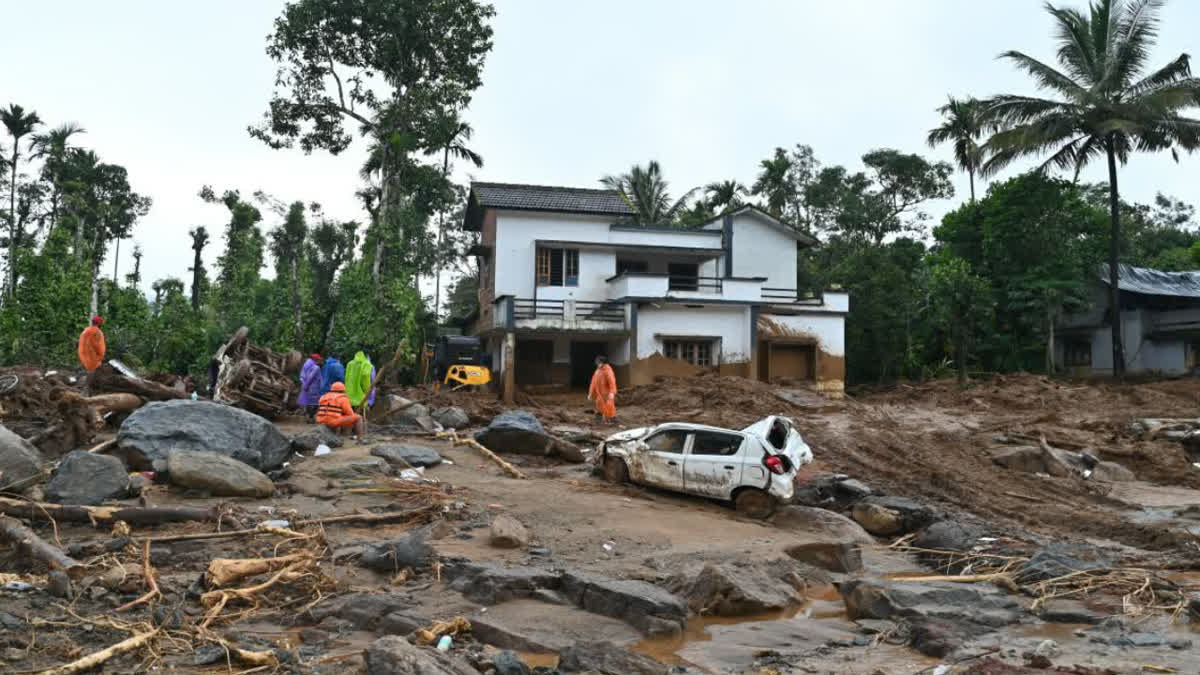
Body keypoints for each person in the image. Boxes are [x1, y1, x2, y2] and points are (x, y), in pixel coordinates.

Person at [78, 316, 107, 394]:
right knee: (92, 374)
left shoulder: (85, 330)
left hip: (83, 356)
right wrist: (101, 356)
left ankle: (85, 389)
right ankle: (87, 391)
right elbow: (99, 347)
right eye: (102, 323)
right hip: (93, 357)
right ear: (99, 323)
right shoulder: (98, 332)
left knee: (88, 372)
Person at [588, 354, 617, 424]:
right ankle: (598, 420)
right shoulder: (598, 371)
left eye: (598, 361)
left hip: (607, 394)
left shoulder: (608, 370)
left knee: (609, 406)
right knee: (599, 406)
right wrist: (591, 393)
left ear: (602, 362)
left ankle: (612, 420)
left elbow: (612, 381)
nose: (596, 363)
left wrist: (612, 392)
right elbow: (593, 382)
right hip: (599, 393)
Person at [298, 353, 324, 421]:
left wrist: (304, 385)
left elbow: (301, 377)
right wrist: (307, 386)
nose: (319, 361)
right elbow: (310, 377)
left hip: (306, 387)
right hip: (314, 387)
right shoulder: (316, 367)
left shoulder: (305, 365)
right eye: (318, 359)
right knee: (314, 403)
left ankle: (308, 417)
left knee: (308, 402)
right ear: (315, 359)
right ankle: (311, 417)